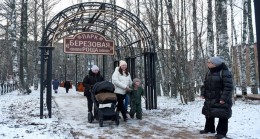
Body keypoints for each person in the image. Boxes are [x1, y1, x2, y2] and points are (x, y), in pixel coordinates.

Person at [200, 56, 233, 139]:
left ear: (215, 64)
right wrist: (203, 93)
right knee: (209, 113)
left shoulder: (225, 72)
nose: (208, 64)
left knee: (222, 115)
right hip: (210, 98)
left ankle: (221, 133)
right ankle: (209, 129)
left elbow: (228, 87)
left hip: (220, 98)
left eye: (209, 62)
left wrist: (223, 98)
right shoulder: (209, 72)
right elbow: (205, 84)